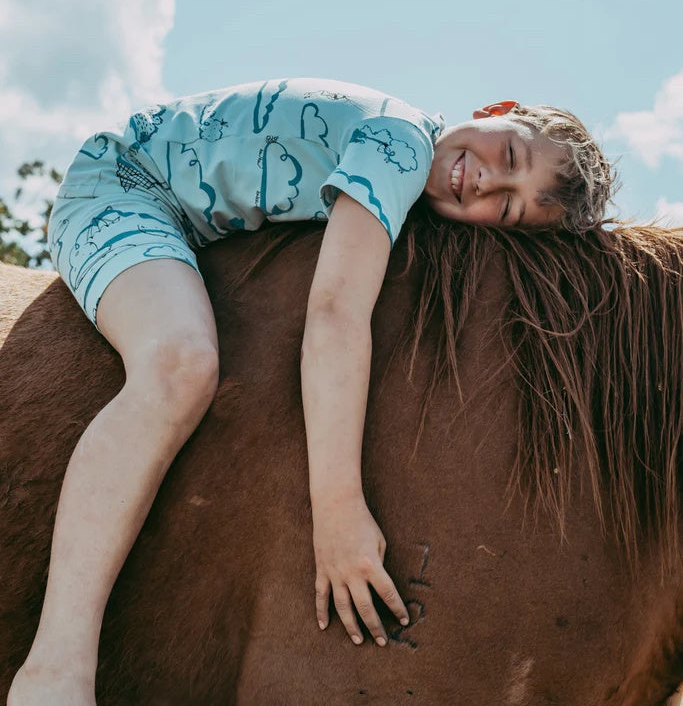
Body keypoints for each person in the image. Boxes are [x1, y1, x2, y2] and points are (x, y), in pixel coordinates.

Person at [8, 76, 614, 706]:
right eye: (511, 155)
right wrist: (336, 510)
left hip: (178, 214)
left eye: (510, 208)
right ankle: (54, 667)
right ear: (499, 109)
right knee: (179, 366)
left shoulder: (413, 176)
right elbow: (334, 316)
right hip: (125, 185)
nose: (490, 182)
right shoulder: (401, 144)